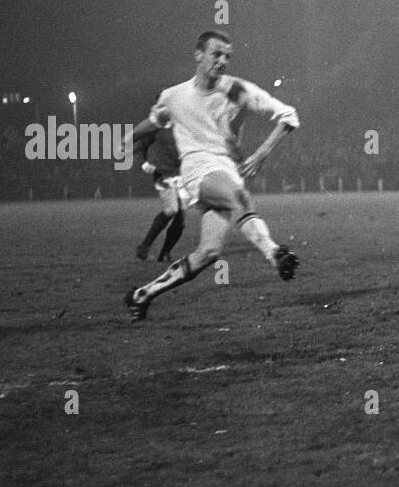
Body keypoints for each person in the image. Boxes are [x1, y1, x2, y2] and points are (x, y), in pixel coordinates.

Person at [124, 31, 300, 322]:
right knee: (239, 197)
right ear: (198, 54)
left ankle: (141, 295)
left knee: (208, 253)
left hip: (226, 172)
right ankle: (274, 253)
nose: (222, 61)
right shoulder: (174, 95)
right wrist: (127, 138)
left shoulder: (235, 90)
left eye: (227, 56)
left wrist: (260, 154)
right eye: (216, 54)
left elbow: (289, 116)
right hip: (197, 171)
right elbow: (155, 121)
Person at [133, 116, 186, 262]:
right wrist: (143, 164)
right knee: (171, 209)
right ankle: (143, 247)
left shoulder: (182, 123)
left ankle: (165, 253)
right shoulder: (154, 127)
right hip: (163, 174)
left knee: (180, 219)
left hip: (182, 175)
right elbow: (138, 147)